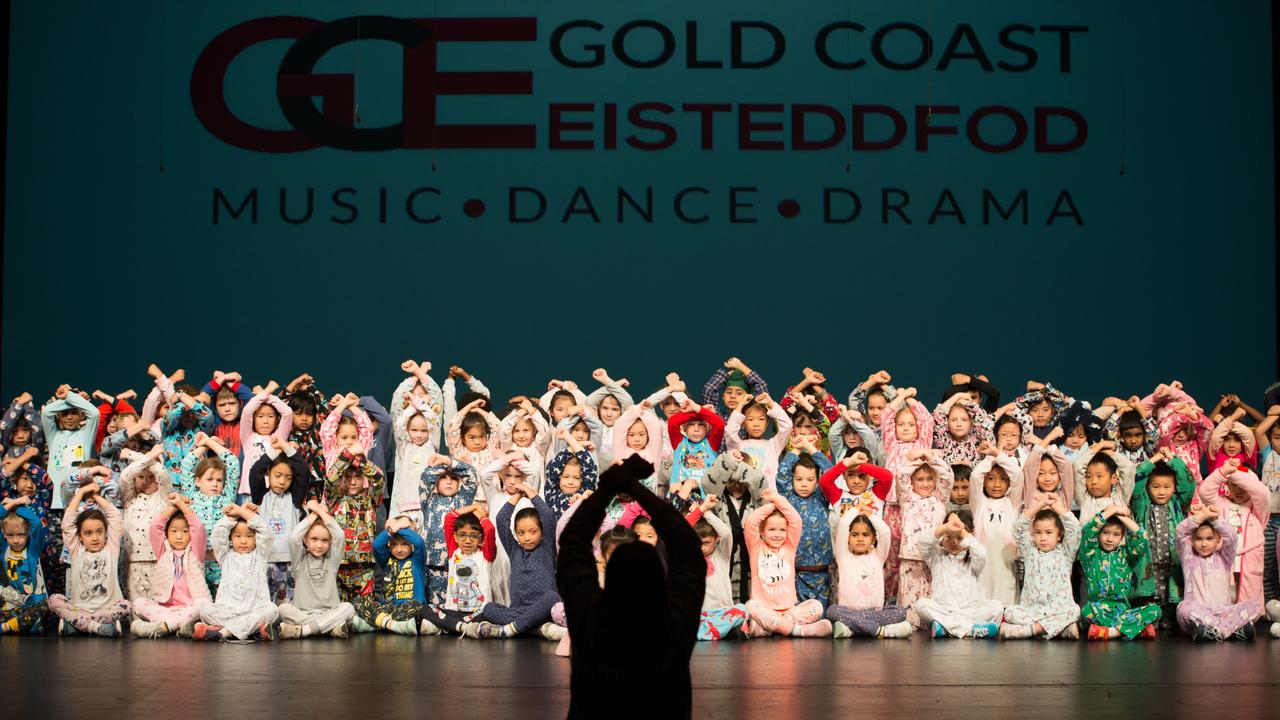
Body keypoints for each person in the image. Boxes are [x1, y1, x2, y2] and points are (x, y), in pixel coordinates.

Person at [558, 454, 704, 720]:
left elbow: (572, 543)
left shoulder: (588, 616)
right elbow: (688, 549)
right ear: (660, 577)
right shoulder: (676, 621)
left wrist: (610, 487)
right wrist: (635, 488)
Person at [277, 500, 355, 639]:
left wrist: (321, 511)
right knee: (283, 609)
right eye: (314, 539)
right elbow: (294, 537)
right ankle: (329, 628)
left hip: (329, 612)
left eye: (325, 540)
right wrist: (313, 514)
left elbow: (340, 535)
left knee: (349, 608)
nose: (319, 545)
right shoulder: (299, 560)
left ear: (330, 542)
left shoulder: (332, 559)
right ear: (305, 540)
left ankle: (304, 630)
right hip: (303, 613)